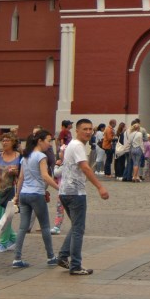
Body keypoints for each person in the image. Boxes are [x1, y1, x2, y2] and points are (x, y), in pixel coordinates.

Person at [56, 118, 110, 275]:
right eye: (84, 129)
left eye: (90, 129)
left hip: (65, 191)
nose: (88, 132)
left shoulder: (72, 145)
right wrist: (100, 187)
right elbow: (85, 167)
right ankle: (75, 265)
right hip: (75, 193)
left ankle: (63, 256)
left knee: (75, 226)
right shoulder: (78, 146)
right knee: (78, 229)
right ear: (77, 131)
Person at [11, 130, 61, 268]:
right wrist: (59, 188)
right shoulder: (41, 156)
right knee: (45, 226)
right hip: (36, 194)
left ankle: (17, 258)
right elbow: (45, 176)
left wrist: (17, 195)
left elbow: (21, 178)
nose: (49, 144)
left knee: (22, 227)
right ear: (40, 141)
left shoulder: (25, 156)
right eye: (48, 141)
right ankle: (51, 257)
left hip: (24, 195)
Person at [0, 133, 21, 253]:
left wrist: (16, 172)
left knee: (7, 217)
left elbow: (24, 173)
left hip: (11, 192)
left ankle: (3, 243)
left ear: (13, 142)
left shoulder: (19, 156)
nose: (4, 142)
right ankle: (14, 238)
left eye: (7, 140)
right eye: (3, 140)